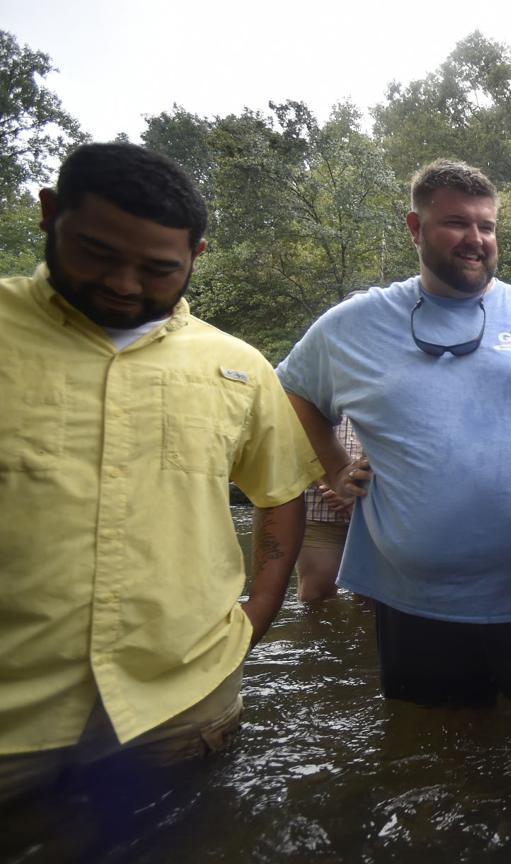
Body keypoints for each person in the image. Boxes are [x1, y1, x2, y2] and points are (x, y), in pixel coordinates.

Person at [0, 143, 320, 804]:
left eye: (156, 268)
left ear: (196, 258)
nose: (123, 283)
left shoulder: (237, 365)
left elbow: (281, 492)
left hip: (182, 706)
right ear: (50, 214)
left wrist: (257, 614)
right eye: (97, 252)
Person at [277, 159, 511, 711]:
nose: (476, 239)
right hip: (415, 604)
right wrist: (330, 464)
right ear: (414, 227)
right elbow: (288, 392)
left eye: (487, 226)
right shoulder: (351, 325)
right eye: (456, 223)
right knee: (429, 760)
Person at [296, 415, 363, 601]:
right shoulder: (310, 392)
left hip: (371, 511)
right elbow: (293, 441)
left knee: (373, 598)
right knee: (316, 594)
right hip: (320, 511)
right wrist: (330, 486)